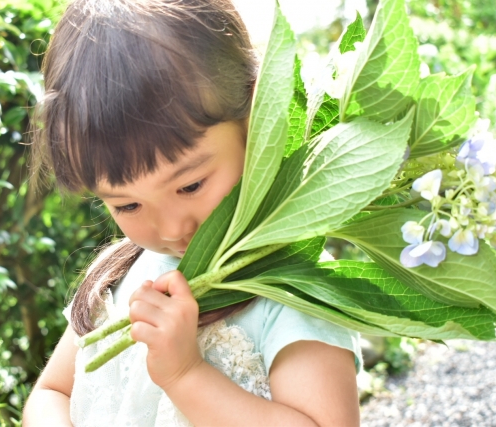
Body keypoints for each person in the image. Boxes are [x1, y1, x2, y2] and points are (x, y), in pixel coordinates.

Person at [23, 0, 362, 425]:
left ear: (259, 117)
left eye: (190, 185)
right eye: (126, 204)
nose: (171, 228)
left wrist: (185, 375)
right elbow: (51, 392)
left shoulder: (296, 290)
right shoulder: (125, 275)